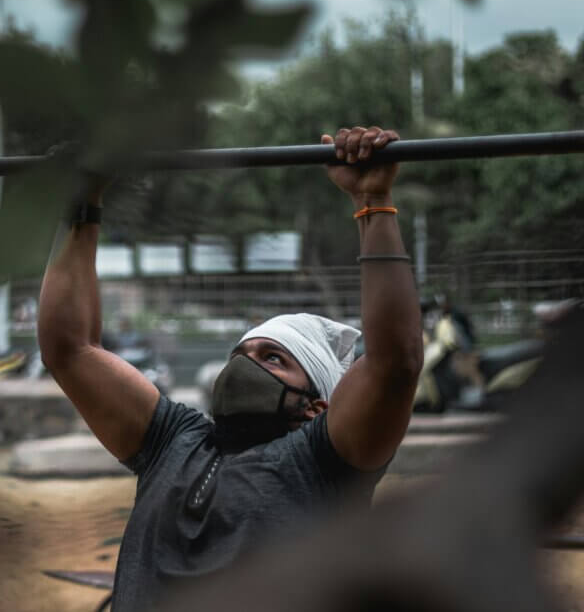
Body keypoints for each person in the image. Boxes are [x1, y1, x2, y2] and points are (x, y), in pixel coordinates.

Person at [37, 126, 423, 610]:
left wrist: (372, 202)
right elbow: (68, 349)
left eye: (273, 358)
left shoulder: (324, 464)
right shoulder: (170, 442)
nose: (245, 366)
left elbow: (394, 364)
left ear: (317, 406)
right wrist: (82, 199)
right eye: (241, 355)